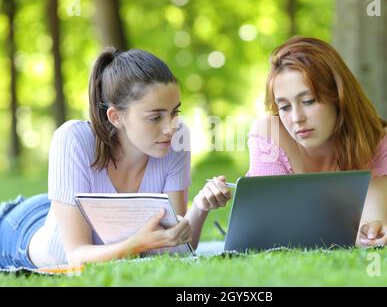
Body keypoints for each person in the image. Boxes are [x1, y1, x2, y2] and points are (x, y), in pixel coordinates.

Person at [0, 47, 232, 269]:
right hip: (23, 228)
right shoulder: (73, 139)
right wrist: (139, 243)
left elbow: (173, 246)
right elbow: (76, 257)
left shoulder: (176, 140)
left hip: (63, 209)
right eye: (155, 117)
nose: (170, 127)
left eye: (175, 112)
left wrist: (201, 206)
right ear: (116, 117)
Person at [246, 36, 387, 247]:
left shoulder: (381, 139)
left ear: (338, 96)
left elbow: (373, 224)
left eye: (308, 101)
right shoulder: (269, 133)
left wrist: (373, 232)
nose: (297, 118)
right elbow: (271, 227)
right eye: (284, 107)